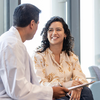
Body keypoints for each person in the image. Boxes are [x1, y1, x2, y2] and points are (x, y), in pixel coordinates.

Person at [0, 4, 69, 100]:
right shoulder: (12, 44)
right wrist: (51, 92)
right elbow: (18, 90)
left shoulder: (11, 41)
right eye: (38, 23)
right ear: (32, 24)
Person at [33, 16, 94, 100]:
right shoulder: (38, 56)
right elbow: (39, 83)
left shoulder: (71, 56)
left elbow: (81, 78)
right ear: (47, 35)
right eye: (50, 30)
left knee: (86, 91)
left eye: (58, 29)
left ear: (65, 34)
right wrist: (63, 85)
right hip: (51, 95)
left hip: (68, 93)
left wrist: (76, 87)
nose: (54, 33)